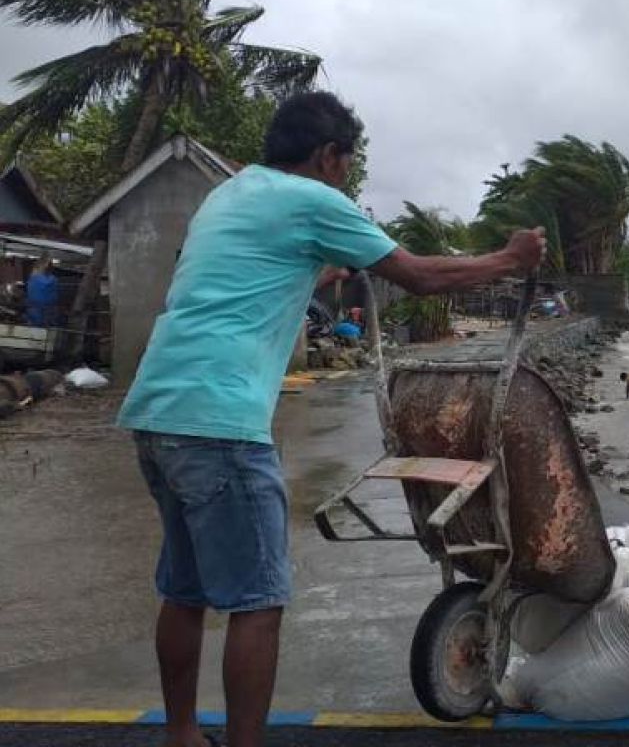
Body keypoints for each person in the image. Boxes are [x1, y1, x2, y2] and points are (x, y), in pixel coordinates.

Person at [117, 91, 545, 747]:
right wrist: (509, 260)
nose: (346, 174)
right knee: (257, 603)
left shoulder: (229, 196)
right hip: (220, 421)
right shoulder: (314, 200)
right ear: (327, 156)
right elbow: (419, 276)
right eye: (346, 162)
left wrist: (320, 274)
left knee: (186, 588)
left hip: (156, 411)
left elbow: (240, 283)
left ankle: (180, 735)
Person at [25, 255, 59, 326]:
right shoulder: (53, 279)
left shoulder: (33, 278)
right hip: (47, 307)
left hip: (35, 307)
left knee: (36, 323)